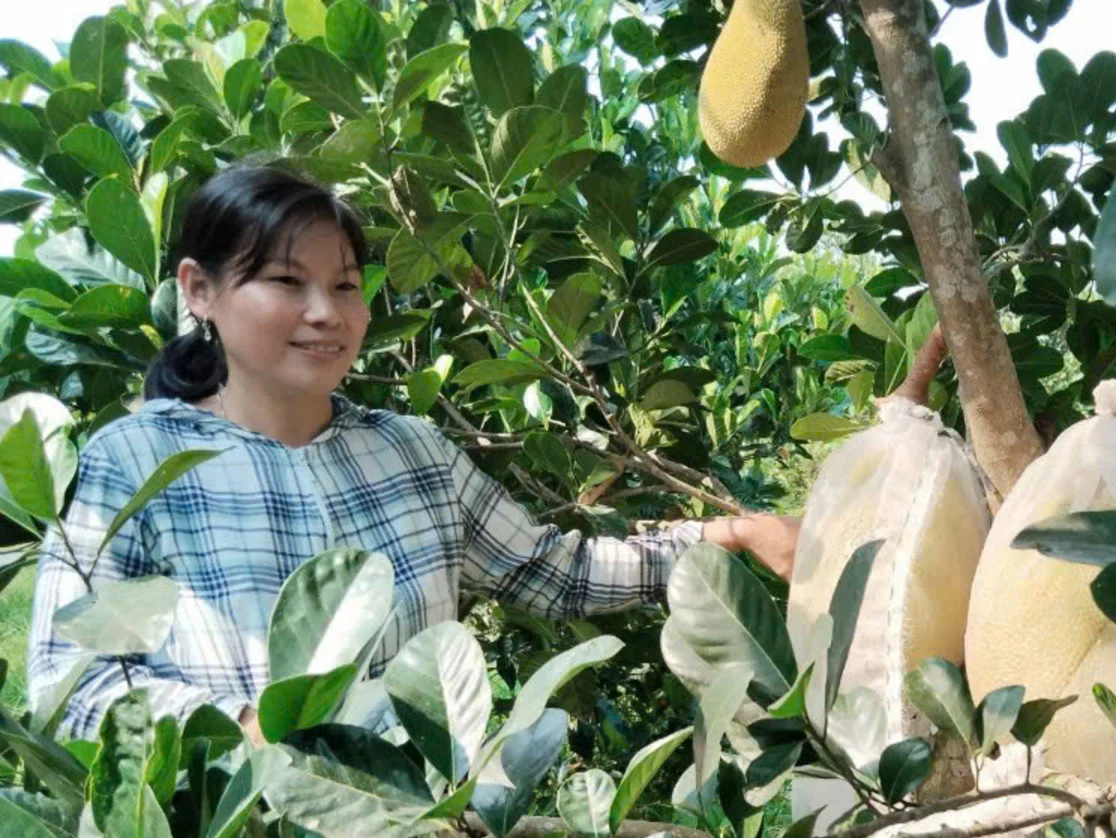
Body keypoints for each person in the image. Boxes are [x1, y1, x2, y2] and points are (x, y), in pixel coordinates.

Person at [27, 163, 798, 743]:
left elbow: (554, 570)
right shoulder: (133, 464)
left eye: (347, 285)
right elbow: (72, 682)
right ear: (199, 289)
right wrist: (242, 728)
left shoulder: (412, 453)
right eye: (286, 281)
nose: (326, 313)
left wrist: (724, 539)